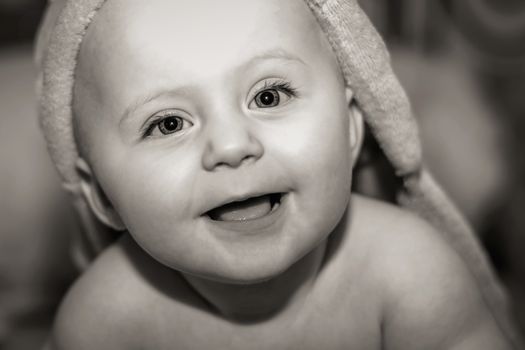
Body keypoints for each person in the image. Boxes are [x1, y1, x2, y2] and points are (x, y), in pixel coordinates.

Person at [35, 0, 516, 348]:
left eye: (269, 96)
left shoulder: (410, 274)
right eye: (168, 123)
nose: (231, 146)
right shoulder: (103, 322)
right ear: (102, 194)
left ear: (351, 129)